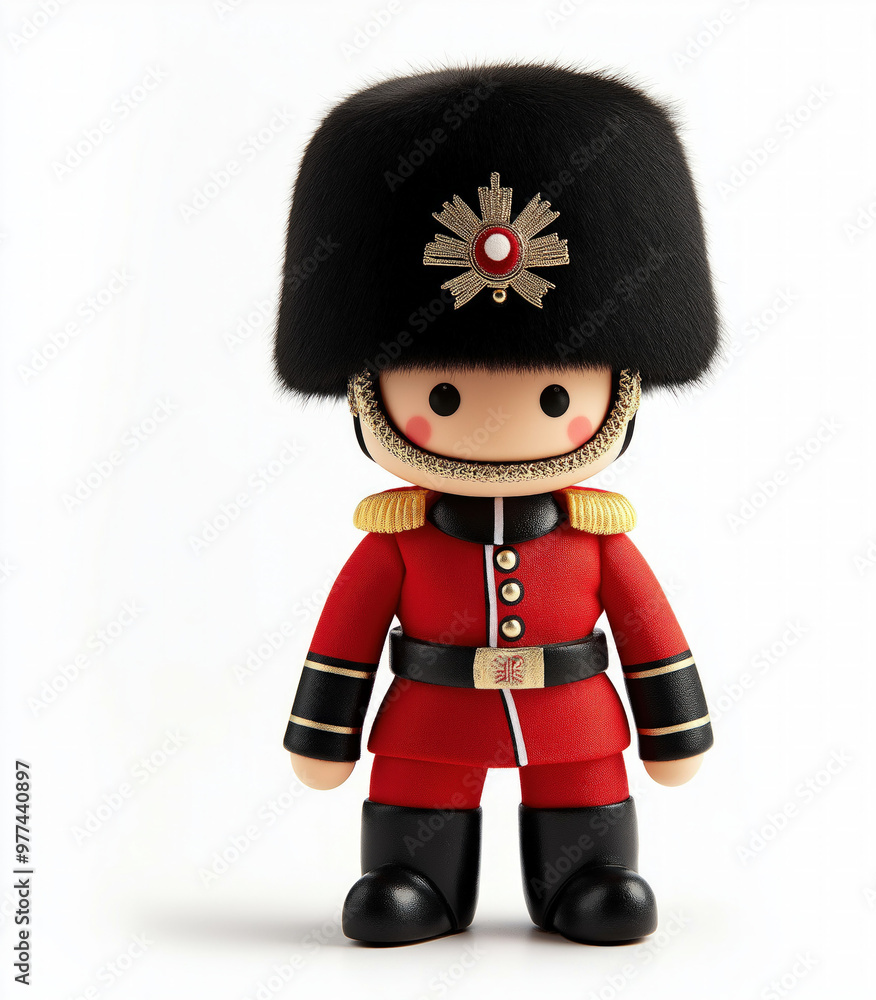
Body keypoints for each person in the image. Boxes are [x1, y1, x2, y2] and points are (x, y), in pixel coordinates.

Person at [274, 64, 720, 946]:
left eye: (554, 396)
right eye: (442, 395)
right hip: (432, 721)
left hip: (573, 724)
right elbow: (346, 636)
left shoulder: (597, 541)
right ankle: (418, 881)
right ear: (370, 392)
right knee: (418, 797)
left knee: (585, 805)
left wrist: (675, 727)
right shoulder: (396, 543)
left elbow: (650, 632)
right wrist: (323, 732)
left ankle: (586, 877)